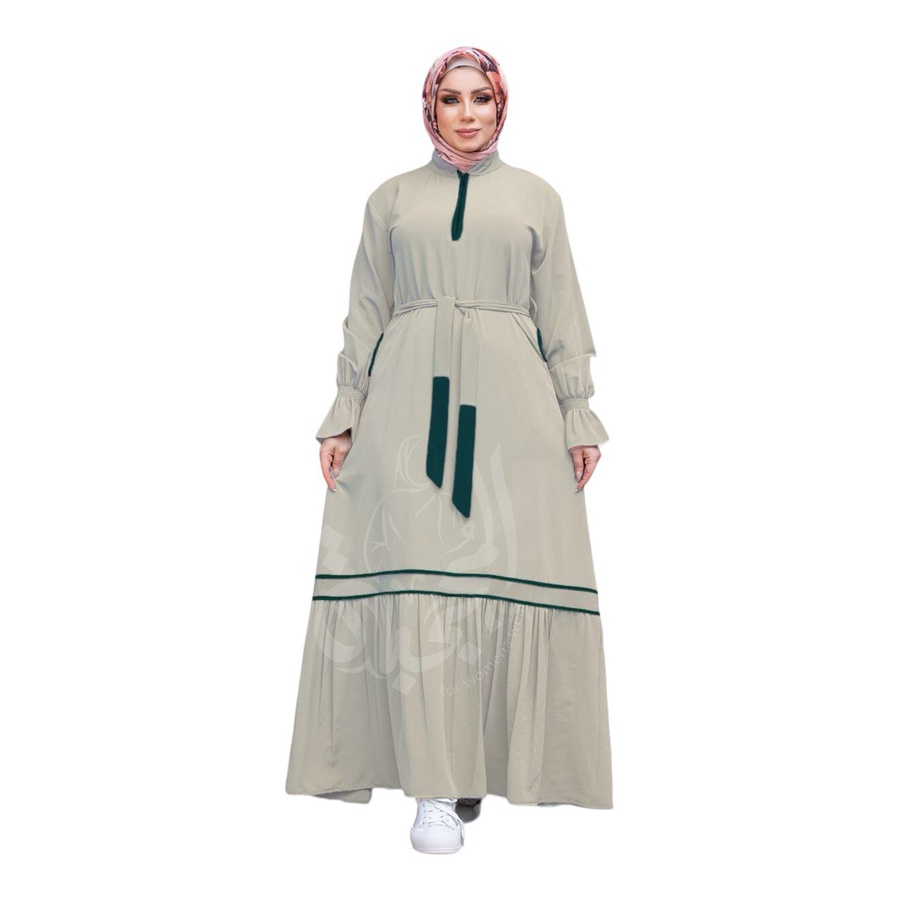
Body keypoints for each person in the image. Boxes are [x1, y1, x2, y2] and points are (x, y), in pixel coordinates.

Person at [285, 46, 613, 854]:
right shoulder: (391, 199)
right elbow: (367, 308)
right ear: (430, 107)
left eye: (481, 99)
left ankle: (475, 768)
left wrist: (576, 413)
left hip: (513, 415)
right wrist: (345, 412)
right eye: (451, 99)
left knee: (500, 575)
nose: (467, 114)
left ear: (501, 106)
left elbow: (562, 309)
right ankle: (431, 789)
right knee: (419, 579)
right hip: (406, 406)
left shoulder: (537, 198)